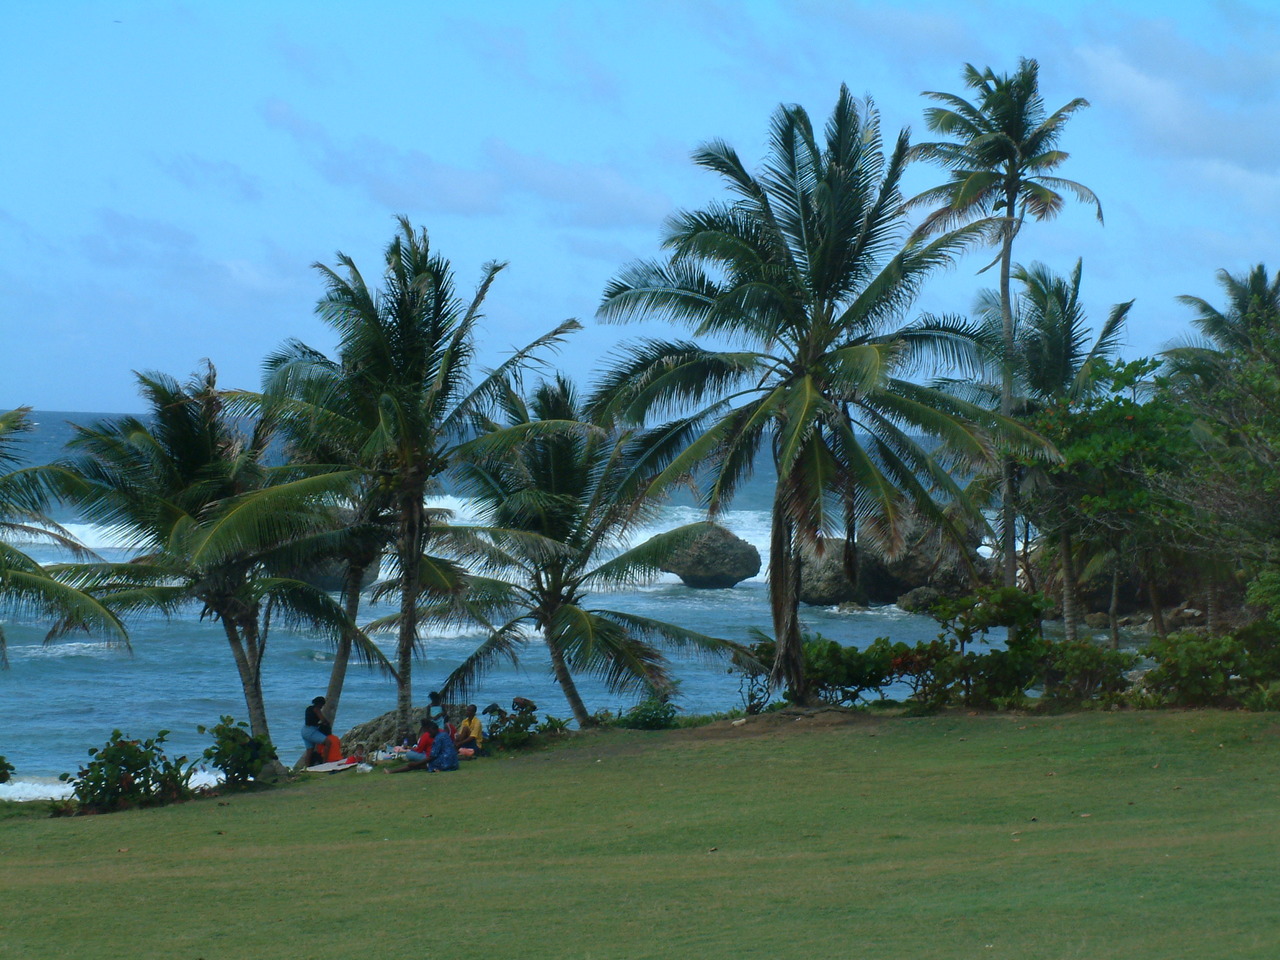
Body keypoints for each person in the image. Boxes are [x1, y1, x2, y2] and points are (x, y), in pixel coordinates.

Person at [301, 696, 332, 766]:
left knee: (309, 751)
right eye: (322, 705)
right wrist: (327, 723)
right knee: (328, 742)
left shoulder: (308, 708)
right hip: (311, 731)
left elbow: (310, 720)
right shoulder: (317, 709)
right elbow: (323, 719)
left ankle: (307, 767)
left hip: (304, 730)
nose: (322, 707)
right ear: (320, 704)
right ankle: (324, 763)